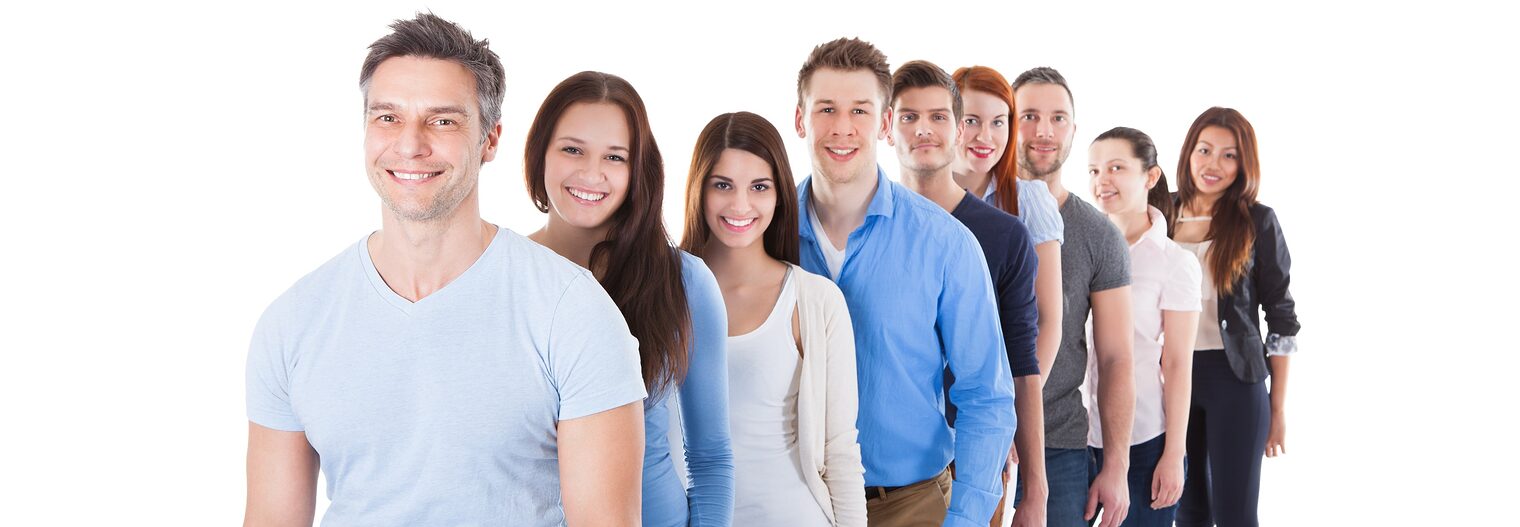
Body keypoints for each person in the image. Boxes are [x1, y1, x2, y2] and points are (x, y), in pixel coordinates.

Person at [243, 13, 645, 526]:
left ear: (490, 139)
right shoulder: (292, 323)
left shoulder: (572, 312)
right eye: (387, 117)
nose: (410, 144)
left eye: (443, 120)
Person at [793, 38, 1014, 527]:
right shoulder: (764, 233)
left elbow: (986, 395)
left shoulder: (946, 245)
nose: (842, 128)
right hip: (790, 502)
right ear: (800, 119)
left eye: (860, 110)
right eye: (826, 108)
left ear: (886, 123)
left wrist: (966, 519)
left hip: (910, 506)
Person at [523, 71, 734, 527]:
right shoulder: (504, 274)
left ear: (638, 169)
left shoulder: (683, 281)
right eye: (573, 149)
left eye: (615, 157)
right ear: (540, 151)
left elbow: (711, 457)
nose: (591, 173)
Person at [680, 111, 867, 527]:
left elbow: (840, 450)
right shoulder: (661, 293)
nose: (740, 204)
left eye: (759, 187)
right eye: (722, 185)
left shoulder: (814, 300)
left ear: (779, 193)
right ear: (699, 190)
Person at [888, 60, 1040, 527]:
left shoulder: (1005, 235)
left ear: (955, 130)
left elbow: (1022, 364)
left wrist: (1036, 489)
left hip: (975, 458)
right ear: (885, 127)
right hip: (885, 467)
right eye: (908, 116)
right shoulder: (865, 226)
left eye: (937, 117)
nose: (923, 130)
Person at [1011, 66, 1136, 527]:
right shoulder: (969, 212)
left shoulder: (1098, 235)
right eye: (1029, 116)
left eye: (1058, 118)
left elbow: (1117, 357)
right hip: (967, 436)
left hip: (1059, 442)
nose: (1044, 131)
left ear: (1074, 130)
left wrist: (1117, 466)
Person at [1170, 107, 1299, 527]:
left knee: (1236, 515)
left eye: (1229, 155)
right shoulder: (1159, 214)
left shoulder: (1257, 221)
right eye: (1205, 150)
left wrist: (1276, 408)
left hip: (1236, 379)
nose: (1214, 164)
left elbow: (1281, 316)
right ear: (1189, 152)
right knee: (1186, 510)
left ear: (1244, 164)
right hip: (1168, 377)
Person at [950, 64, 1066, 527]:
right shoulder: (913, 196)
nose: (985, 136)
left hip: (988, 408)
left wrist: (1014, 415)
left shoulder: (1027, 200)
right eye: (971, 120)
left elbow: (1047, 323)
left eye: (999, 122)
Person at [1085, 127, 1202, 526]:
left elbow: (1178, 365)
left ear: (1150, 177)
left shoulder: (1174, 263)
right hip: (1075, 438)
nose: (1103, 180)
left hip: (1144, 442)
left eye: (1117, 167)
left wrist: (1174, 454)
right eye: (1095, 169)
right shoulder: (1072, 247)